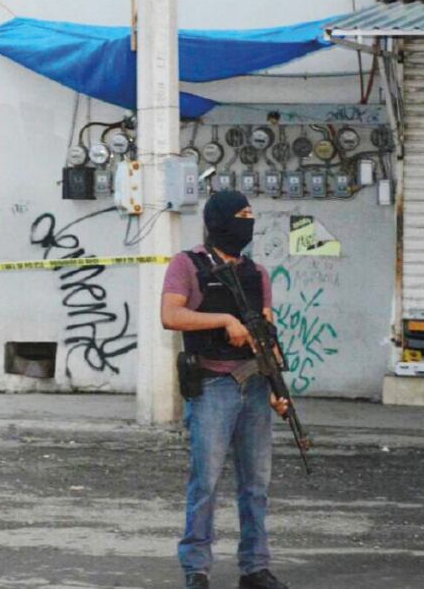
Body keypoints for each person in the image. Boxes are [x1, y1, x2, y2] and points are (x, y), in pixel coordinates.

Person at [161, 190, 290, 589]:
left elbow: (267, 332)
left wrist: (277, 386)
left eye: (251, 214)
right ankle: (196, 570)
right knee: (206, 483)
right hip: (213, 384)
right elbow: (171, 315)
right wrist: (223, 321)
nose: (248, 221)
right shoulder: (187, 264)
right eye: (241, 214)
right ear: (219, 220)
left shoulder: (257, 273)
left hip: (253, 384)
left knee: (256, 485)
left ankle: (255, 568)